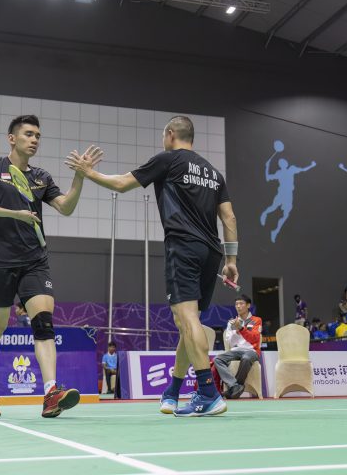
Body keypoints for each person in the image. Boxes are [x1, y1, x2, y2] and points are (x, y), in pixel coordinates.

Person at [65, 115, 238, 418]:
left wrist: (88, 172)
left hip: (182, 246)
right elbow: (230, 218)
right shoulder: (213, 173)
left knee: (187, 320)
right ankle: (173, 390)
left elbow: (121, 184)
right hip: (212, 253)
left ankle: (208, 392)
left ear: (171, 135)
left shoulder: (168, 160)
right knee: (189, 322)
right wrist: (232, 260)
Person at [0, 114, 101, 419]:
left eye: (38, 135)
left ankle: (51, 393)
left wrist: (80, 176)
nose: (35, 139)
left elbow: (65, 207)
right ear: (12, 138)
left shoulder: (41, 177)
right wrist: (16, 214)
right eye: (29, 134)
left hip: (34, 260)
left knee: (43, 322)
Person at [212, 295, 262, 400]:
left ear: (248, 305)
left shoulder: (256, 320)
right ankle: (235, 386)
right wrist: (236, 330)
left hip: (251, 351)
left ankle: (235, 388)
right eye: (236, 304)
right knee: (218, 359)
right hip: (236, 350)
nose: (238, 306)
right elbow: (230, 342)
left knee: (246, 358)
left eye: (241, 304)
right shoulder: (231, 323)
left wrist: (241, 328)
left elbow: (255, 339)